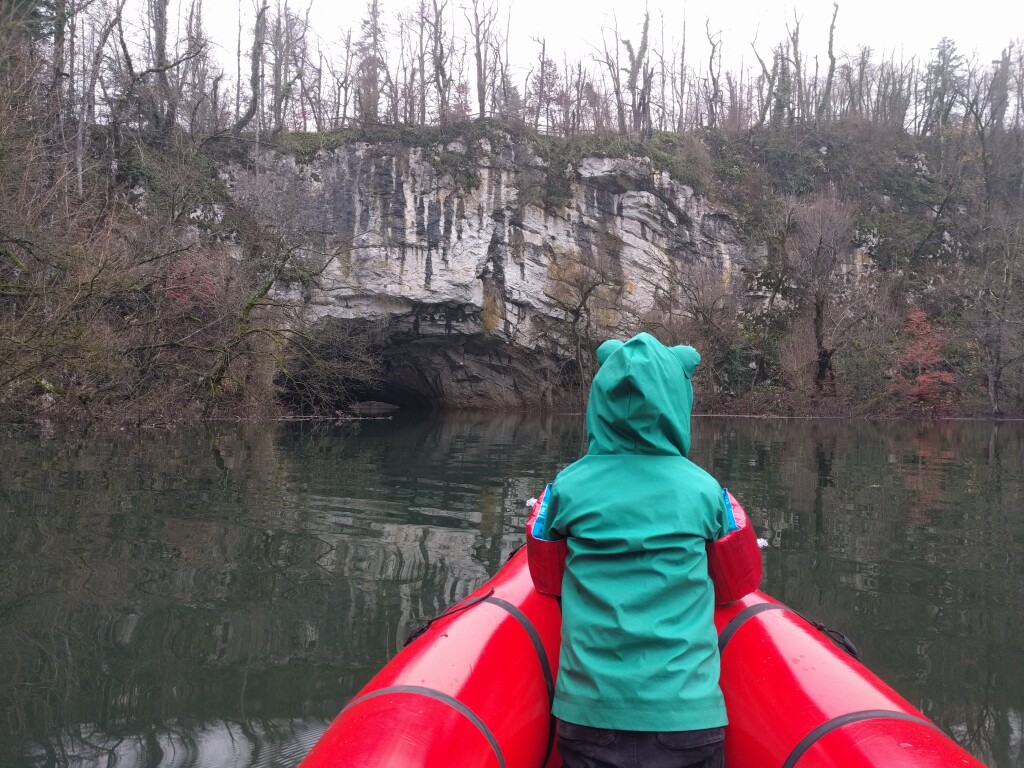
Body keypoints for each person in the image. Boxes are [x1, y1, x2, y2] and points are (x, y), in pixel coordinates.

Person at [541, 332, 732, 768]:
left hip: (589, 715)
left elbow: (544, 574)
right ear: (676, 402)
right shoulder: (703, 490)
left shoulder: (568, 487)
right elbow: (734, 580)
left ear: (599, 402)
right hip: (687, 717)